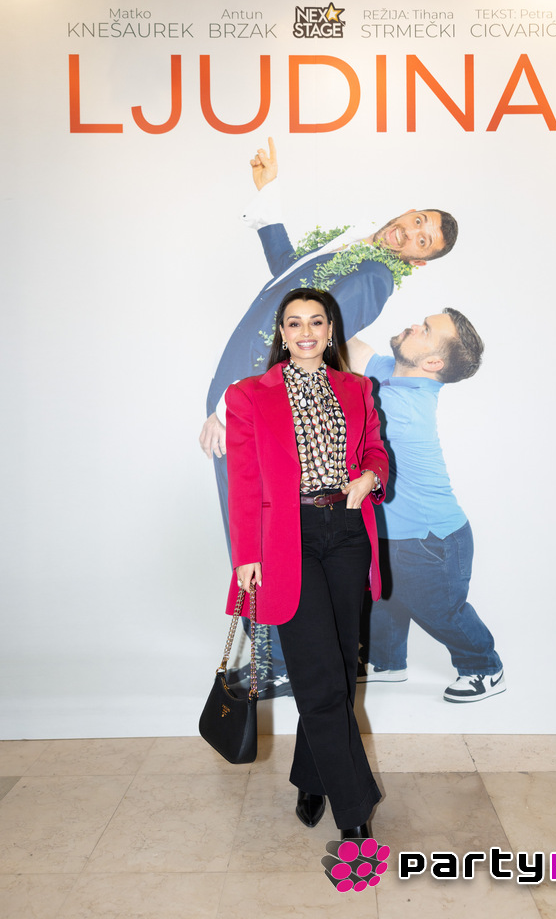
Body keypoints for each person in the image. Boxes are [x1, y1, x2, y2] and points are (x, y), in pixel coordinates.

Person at [200, 138, 457, 695]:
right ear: (408, 211)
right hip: (243, 402)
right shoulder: (357, 246)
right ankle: (279, 659)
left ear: (417, 260)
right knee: (255, 532)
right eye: (418, 221)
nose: (411, 232)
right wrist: (268, 195)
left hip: (249, 410)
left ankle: (280, 662)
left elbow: (306, 343)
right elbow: (288, 278)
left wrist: (230, 404)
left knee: (258, 535)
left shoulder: (373, 276)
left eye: (422, 240)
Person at [225, 288, 389, 838]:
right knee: (319, 679)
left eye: (316, 322)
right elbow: (244, 480)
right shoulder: (249, 395)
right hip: (285, 540)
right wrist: (246, 555)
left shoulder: (357, 388)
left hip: (346, 531)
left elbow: (375, 451)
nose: (305, 332)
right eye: (294, 323)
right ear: (282, 333)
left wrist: (370, 477)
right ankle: (354, 810)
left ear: (330, 330)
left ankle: (313, 774)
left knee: (337, 670)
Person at [347, 309, 505, 703]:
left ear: (432, 362)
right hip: (394, 531)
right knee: (384, 597)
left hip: (430, 541)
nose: (415, 325)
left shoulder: (403, 408)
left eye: (426, 330)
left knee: (442, 611)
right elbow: (351, 346)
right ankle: (386, 663)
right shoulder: (392, 372)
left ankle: (484, 667)